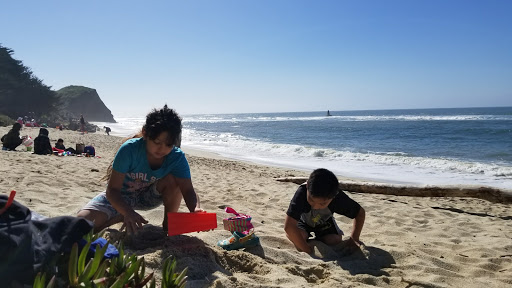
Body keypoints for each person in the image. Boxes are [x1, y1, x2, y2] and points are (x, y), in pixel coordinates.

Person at [77, 105, 203, 234]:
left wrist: (195, 209)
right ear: (145, 133)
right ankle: (117, 217)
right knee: (82, 222)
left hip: (149, 197)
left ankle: (168, 225)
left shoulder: (176, 157)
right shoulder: (129, 150)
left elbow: (187, 190)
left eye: (168, 144)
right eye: (157, 142)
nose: (162, 149)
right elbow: (112, 191)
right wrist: (128, 212)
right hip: (121, 197)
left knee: (173, 179)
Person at [284, 168, 365, 254]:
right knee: (299, 236)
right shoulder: (301, 193)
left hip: (324, 221)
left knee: (334, 240)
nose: (315, 206)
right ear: (307, 186)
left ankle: (320, 237)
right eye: (311, 200)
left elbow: (360, 213)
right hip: (303, 221)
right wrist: (306, 249)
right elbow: (289, 226)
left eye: (322, 204)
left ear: (334, 196)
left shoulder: (338, 198)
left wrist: (354, 238)